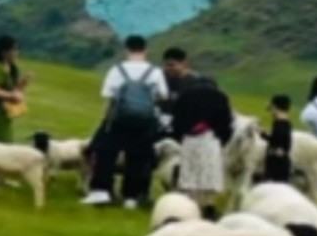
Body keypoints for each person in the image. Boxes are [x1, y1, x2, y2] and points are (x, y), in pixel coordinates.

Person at [86, 35, 168, 208]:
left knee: (106, 153)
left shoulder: (117, 69)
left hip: (118, 118)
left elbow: (107, 95)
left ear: (127, 50)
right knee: (138, 157)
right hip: (144, 121)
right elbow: (163, 95)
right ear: (145, 50)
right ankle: (131, 196)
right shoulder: (155, 71)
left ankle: (102, 190)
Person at [163, 47, 234, 218]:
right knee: (209, 172)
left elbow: (176, 118)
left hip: (189, 138)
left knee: (190, 171)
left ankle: (189, 204)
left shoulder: (186, 96)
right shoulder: (220, 97)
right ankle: (208, 205)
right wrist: (222, 138)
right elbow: (226, 122)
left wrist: (182, 134)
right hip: (211, 139)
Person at [258, 95, 299, 188]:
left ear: (276, 108)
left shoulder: (281, 124)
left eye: (272, 109)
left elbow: (279, 144)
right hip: (278, 163)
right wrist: (264, 135)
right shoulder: (283, 123)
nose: (271, 112)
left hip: (277, 165)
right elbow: (277, 141)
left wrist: (265, 136)